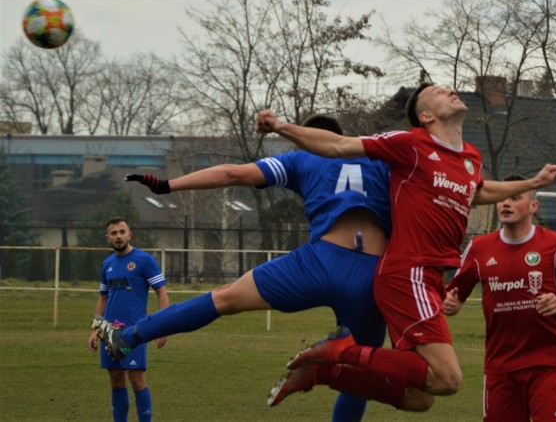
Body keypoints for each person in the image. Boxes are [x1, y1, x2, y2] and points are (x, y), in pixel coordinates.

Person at [254, 82, 556, 412]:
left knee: (421, 397)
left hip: (429, 279)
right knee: (449, 378)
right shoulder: (410, 143)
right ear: (426, 116)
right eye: (439, 91)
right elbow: (338, 145)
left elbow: (478, 192)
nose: (450, 90)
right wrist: (281, 126)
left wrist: (533, 183)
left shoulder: (470, 158)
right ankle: (340, 351)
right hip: (408, 273)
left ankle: (323, 372)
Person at [92, 114, 391, 421]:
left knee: (223, 298)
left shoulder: (303, 158)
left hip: (321, 262)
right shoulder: (382, 156)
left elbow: (231, 174)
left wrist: (168, 185)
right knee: (358, 379)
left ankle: (128, 337)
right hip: (373, 274)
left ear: (305, 136)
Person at [442, 174, 556, 421]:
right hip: (500, 367)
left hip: (547, 363)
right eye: (502, 198)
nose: (505, 203)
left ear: (533, 206)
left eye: (514, 198)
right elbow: (452, 299)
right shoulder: (479, 248)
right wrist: (450, 304)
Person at [88, 217, 170, 422]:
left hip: (134, 331)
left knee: (137, 380)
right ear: (108, 238)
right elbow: (103, 298)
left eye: (122, 232)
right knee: (116, 381)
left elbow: (161, 292)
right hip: (109, 332)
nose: (118, 236)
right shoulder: (107, 264)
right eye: (114, 233)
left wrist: (164, 325)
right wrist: (95, 330)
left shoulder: (144, 260)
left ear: (129, 234)